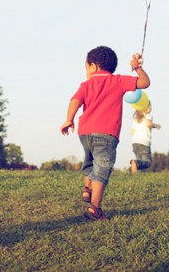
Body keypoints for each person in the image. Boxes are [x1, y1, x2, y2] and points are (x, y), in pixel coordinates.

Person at [60, 46, 150, 221]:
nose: (86, 73)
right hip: (106, 133)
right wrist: (137, 67)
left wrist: (69, 119)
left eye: (86, 68)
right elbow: (145, 83)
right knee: (102, 167)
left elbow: (75, 100)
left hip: (85, 132)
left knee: (90, 159)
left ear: (93, 66)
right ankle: (94, 208)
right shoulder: (118, 81)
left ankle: (87, 188)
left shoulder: (86, 84)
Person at [129, 101, 160, 173]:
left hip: (135, 142)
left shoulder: (136, 118)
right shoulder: (148, 116)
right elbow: (148, 124)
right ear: (146, 108)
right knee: (147, 162)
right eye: (150, 106)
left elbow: (132, 131)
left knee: (141, 163)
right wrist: (156, 125)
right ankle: (135, 163)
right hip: (144, 142)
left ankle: (137, 177)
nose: (151, 108)